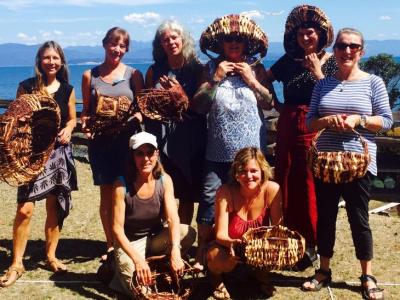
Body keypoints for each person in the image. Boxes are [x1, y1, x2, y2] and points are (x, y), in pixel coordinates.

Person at [302, 28, 392, 300]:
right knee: (326, 217)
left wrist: (359, 119)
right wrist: (327, 121)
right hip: (326, 163)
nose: (347, 51)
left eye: (353, 46)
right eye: (342, 45)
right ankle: (323, 271)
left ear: (361, 51)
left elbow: (386, 121)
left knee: (359, 220)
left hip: (359, 164)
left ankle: (367, 275)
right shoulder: (322, 84)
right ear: (336, 50)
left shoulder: (373, 83)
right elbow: (310, 122)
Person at [192, 14, 275, 270]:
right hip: (217, 152)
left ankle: (253, 257)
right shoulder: (209, 69)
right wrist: (215, 78)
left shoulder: (256, 68)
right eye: (229, 39)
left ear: (247, 43)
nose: (234, 43)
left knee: (251, 204)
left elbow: (268, 102)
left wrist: (251, 80)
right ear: (221, 43)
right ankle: (203, 254)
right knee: (208, 202)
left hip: (250, 155)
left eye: (239, 39)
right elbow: (199, 106)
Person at [0, 41, 78, 287]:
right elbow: (14, 119)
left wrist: (68, 127)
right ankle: (16, 263)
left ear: (61, 62)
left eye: (56, 58)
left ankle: (51, 256)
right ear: (39, 61)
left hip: (58, 156)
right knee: (25, 209)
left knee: (54, 208)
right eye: (47, 58)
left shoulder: (67, 89)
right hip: (31, 156)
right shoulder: (26, 87)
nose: (51, 62)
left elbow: (74, 119)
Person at [265, 4, 337, 269]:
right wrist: (277, 104)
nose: (305, 38)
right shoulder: (288, 61)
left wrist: (317, 71)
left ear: (320, 33)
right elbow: (264, 78)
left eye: (310, 33)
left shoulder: (330, 62)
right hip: (287, 123)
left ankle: (311, 244)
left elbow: (334, 98)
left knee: (308, 183)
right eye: (300, 35)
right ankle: (285, 237)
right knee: (283, 176)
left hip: (313, 127)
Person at [81, 27, 144, 259]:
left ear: (126, 49)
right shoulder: (90, 75)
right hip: (102, 145)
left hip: (127, 145)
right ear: (105, 44)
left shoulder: (134, 75)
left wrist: (133, 119)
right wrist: (86, 127)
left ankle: (129, 240)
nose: (117, 49)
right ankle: (110, 243)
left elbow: (142, 110)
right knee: (107, 194)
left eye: (122, 45)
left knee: (129, 192)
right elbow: (86, 113)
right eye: (113, 44)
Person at [109, 131, 196, 297]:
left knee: (188, 232)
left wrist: (176, 251)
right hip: (130, 244)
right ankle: (120, 268)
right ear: (132, 156)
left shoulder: (164, 180)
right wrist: (137, 260)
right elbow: (117, 230)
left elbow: (172, 218)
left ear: (157, 154)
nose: (146, 159)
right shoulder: (121, 185)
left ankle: (157, 266)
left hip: (154, 240)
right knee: (143, 293)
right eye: (139, 154)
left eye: (150, 153)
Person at [144, 20, 206, 226]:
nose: (170, 42)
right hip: (161, 138)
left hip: (190, 139)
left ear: (183, 39)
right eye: (165, 39)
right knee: (160, 190)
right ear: (160, 45)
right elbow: (145, 104)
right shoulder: (155, 70)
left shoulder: (197, 69)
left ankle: (183, 240)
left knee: (186, 195)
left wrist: (182, 97)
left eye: (174, 37)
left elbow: (202, 106)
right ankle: (162, 237)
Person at [206, 147, 282, 299]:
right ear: (235, 174)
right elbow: (220, 234)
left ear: (262, 171)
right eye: (242, 171)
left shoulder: (272, 189)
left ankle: (260, 275)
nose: (248, 176)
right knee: (215, 257)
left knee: (277, 248)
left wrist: (269, 247)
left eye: (254, 171)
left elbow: (277, 229)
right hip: (229, 248)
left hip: (258, 248)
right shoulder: (225, 191)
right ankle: (216, 278)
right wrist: (237, 245)